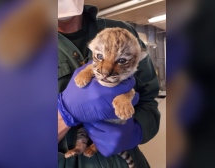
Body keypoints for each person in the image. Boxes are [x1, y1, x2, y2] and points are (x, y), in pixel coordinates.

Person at [57, 0, 160, 168]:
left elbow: (149, 100)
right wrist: (64, 115)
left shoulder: (127, 34)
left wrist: (138, 130)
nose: (106, 71)